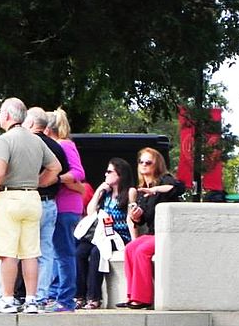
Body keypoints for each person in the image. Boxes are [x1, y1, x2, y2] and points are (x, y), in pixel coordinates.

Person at [0, 98, 61, 314]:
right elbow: (55, 167)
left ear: (7, 115)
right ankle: (32, 300)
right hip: (33, 199)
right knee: (30, 252)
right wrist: (38, 182)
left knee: (8, 252)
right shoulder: (37, 141)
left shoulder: (4, 140)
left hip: (8, 198)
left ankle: (6, 299)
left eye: (0, 112)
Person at [117, 148, 185, 309]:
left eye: (148, 162)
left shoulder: (164, 180)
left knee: (141, 251)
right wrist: (136, 216)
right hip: (153, 232)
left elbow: (176, 187)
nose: (144, 165)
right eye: (141, 162)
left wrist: (154, 190)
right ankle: (132, 295)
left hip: (167, 233)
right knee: (130, 249)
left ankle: (143, 298)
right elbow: (141, 220)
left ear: (157, 165)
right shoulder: (142, 190)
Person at [19, 106, 68, 307]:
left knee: (20, 250)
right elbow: (60, 172)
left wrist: (33, 183)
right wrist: (45, 181)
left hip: (29, 201)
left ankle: (10, 295)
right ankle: (40, 296)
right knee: (46, 252)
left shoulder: (25, 143)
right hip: (50, 204)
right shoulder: (56, 147)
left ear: (30, 123)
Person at [40, 107, 86, 312]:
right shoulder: (59, 145)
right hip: (63, 204)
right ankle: (56, 293)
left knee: (64, 253)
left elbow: (78, 172)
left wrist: (55, 179)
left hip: (65, 206)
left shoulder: (64, 145)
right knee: (58, 251)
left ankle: (65, 298)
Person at [75, 158, 134, 309]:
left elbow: (130, 219)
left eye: (109, 171)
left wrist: (133, 241)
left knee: (97, 252)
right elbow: (90, 212)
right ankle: (79, 295)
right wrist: (99, 191)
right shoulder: (105, 194)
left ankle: (94, 298)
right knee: (80, 251)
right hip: (100, 234)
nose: (106, 174)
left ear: (120, 174)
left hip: (119, 235)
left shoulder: (129, 192)